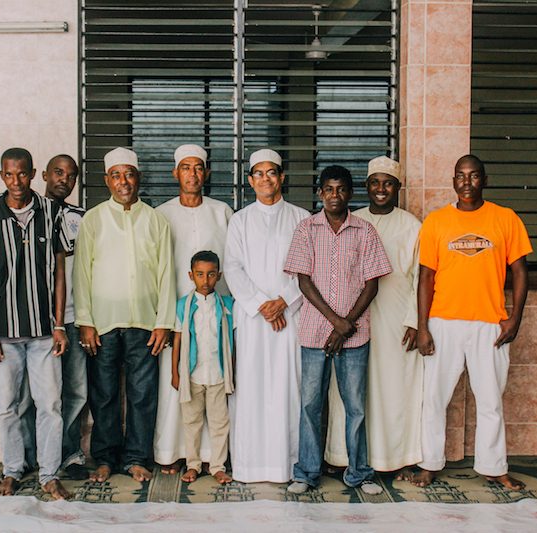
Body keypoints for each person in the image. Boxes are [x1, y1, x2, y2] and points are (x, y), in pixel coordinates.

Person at [411, 154, 531, 491]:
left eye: (474, 176)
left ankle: (494, 467)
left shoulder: (505, 219)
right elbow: (425, 277)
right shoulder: (436, 221)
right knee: (434, 398)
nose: (467, 182)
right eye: (460, 176)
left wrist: (514, 319)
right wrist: (423, 326)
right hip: (444, 322)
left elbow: (520, 271)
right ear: (453, 181)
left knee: (490, 399)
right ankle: (430, 463)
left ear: (484, 179)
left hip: (489, 324)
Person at [284, 165, 392, 495]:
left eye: (341, 189)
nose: (335, 195)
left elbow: (372, 285)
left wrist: (346, 327)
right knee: (310, 406)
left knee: (356, 406)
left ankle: (359, 473)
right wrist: (336, 322)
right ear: (320, 193)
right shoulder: (306, 229)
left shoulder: (365, 231)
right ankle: (306, 473)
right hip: (316, 333)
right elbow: (303, 281)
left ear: (350, 193)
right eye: (329, 189)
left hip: (355, 336)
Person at [0, 147, 71, 500]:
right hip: (4, 334)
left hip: (44, 332)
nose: (16, 181)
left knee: (50, 405)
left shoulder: (50, 212)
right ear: (2, 175)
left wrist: (60, 324)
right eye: (9, 175)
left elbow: (59, 271)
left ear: (33, 174)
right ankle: (12, 470)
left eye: (23, 174)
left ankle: (48, 474)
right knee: (7, 406)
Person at [74, 147, 176, 483]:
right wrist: (85, 321)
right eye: (116, 175)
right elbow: (81, 273)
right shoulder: (94, 219)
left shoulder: (155, 219)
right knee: (103, 395)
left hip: (145, 324)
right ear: (107, 181)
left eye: (129, 174)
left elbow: (166, 274)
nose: (123, 181)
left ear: (138, 178)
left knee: (143, 395)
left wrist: (163, 322)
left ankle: (136, 458)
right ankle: (104, 459)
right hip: (102, 323)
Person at [325, 156, 423, 481]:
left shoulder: (411, 225)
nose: (381, 189)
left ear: (398, 187)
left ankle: (398, 458)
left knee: (396, 389)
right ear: (366, 187)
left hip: (396, 319)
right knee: (351, 392)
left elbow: (421, 278)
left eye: (388, 183)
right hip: (353, 318)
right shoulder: (351, 220)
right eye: (375, 183)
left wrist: (414, 319)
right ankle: (343, 456)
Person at [223, 149, 308, 483]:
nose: (265, 179)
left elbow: (307, 269)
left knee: (288, 389)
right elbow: (232, 267)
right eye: (258, 173)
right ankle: (249, 464)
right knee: (252, 389)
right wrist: (262, 303)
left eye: (271, 172)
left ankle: (288, 463)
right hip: (253, 321)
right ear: (250, 181)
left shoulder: (302, 218)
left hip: (290, 320)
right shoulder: (240, 220)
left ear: (282, 177)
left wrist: (284, 301)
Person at [154, 144, 233, 475]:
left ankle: (215, 460)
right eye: (185, 168)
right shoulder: (162, 214)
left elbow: (232, 264)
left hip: (215, 315)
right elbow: (156, 269)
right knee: (175, 388)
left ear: (206, 173)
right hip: (176, 315)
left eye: (198, 168)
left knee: (216, 400)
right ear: (176, 173)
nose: (192, 174)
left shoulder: (222, 211)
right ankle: (172, 453)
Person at [42, 154, 89, 479]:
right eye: (58, 172)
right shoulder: (26, 215)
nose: (64, 179)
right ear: (44, 174)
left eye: (71, 175)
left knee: (76, 390)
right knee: (40, 395)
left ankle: (70, 455)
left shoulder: (81, 219)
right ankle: (37, 455)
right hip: (35, 322)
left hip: (73, 318)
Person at [171, 251, 235, 485]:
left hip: (218, 374)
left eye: (210, 275)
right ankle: (193, 464)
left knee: (220, 422)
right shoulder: (183, 306)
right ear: (191, 275)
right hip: (192, 375)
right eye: (199, 275)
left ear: (219, 276)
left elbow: (232, 342)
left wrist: (232, 371)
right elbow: (177, 339)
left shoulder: (227, 305)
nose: (205, 280)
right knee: (192, 422)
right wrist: (175, 372)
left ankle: (218, 466)